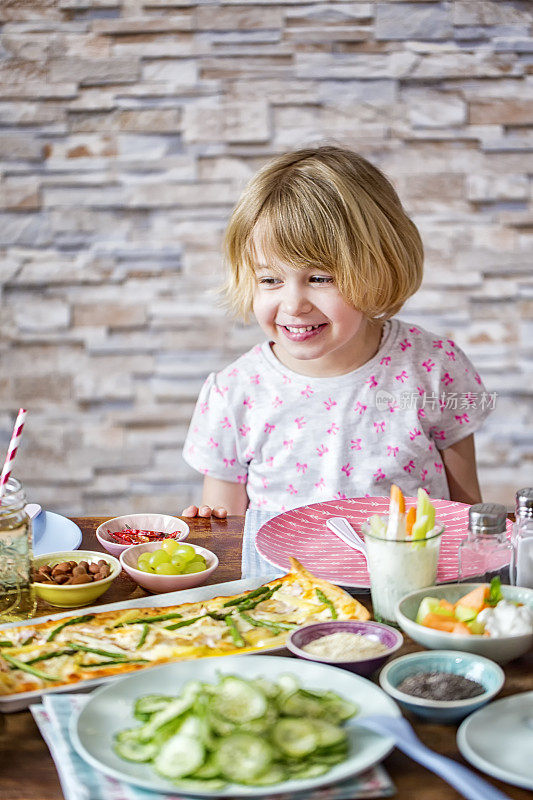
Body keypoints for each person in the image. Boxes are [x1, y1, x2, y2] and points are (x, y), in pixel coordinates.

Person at [181, 146, 490, 519]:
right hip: (284, 579)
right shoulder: (233, 394)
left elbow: (468, 515)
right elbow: (228, 538)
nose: (294, 305)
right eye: (270, 279)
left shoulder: (433, 368)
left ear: (379, 266)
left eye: (319, 278)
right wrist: (206, 527)